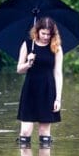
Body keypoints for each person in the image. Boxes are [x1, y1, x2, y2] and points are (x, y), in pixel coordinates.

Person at [16, 17, 63, 148]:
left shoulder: (56, 48)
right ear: (37, 31)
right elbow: (19, 69)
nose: (46, 37)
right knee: (25, 131)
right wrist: (28, 63)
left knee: (44, 131)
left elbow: (58, 74)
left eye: (49, 34)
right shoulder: (27, 44)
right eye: (43, 33)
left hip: (48, 90)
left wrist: (58, 99)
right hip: (30, 89)